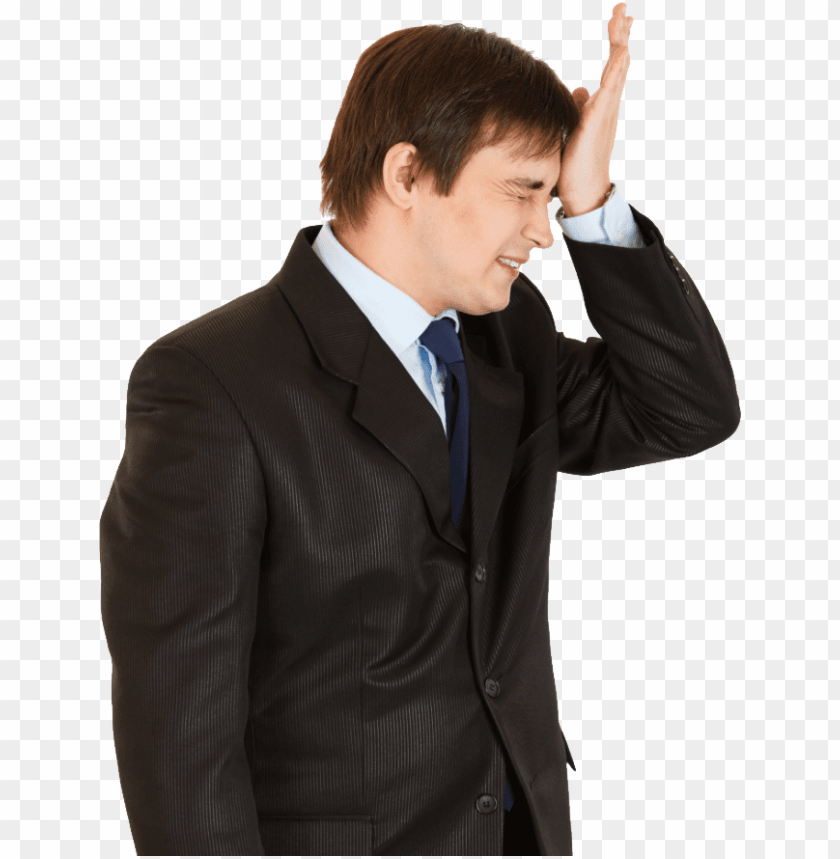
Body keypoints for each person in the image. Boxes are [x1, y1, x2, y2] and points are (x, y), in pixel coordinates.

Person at [99, 5, 740, 856]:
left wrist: (595, 203)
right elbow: (179, 735)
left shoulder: (507, 339)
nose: (541, 233)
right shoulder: (212, 382)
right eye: (522, 191)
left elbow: (687, 406)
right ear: (407, 173)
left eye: (550, 199)